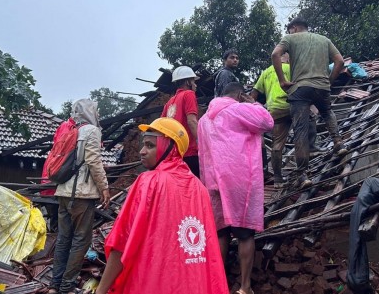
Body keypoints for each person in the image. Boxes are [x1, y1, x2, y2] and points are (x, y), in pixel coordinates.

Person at [96, 118, 228, 294]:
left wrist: (101, 290)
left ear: (170, 147)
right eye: (144, 145)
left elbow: (122, 241)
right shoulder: (200, 189)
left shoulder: (149, 182)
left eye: (150, 145)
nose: (142, 151)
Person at [198, 82, 274, 294]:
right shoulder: (239, 109)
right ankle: (245, 287)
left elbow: (202, 152)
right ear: (240, 95)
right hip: (239, 181)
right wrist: (255, 104)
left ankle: (218, 284)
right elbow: (268, 122)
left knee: (221, 233)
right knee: (244, 233)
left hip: (213, 181)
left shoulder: (204, 119)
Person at [271, 16, 348, 187]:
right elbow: (340, 61)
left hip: (301, 88)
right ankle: (338, 142)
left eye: (290, 29)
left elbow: (275, 54)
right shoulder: (324, 39)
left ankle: (303, 174)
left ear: (295, 28)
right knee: (327, 112)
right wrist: (329, 81)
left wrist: (283, 80)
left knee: (301, 130)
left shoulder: (289, 38)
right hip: (322, 86)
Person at [49, 99, 111, 294]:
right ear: (91, 112)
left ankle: (54, 285)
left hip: (63, 192)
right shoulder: (92, 131)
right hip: (82, 195)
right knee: (80, 240)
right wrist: (104, 188)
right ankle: (67, 286)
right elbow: (93, 160)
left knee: (63, 238)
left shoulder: (69, 130)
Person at [250, 54, 324, 184]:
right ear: (287, 56)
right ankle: (307, 159)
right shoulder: (292, 68)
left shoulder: (266, 72)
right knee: (302, 134)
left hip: (275, 109)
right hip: (294, 105)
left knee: (277, 145)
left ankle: (278, 179)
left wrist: (255, 109)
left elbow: (254, 94)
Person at [162, 65, 201, 178]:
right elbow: (192, 121)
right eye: (194, 81)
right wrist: (202, 144)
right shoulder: (189, 94)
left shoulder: (169, 102)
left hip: (173, 154)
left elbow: (162, 127)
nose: (195, 84)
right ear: (188, 81)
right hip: (189, 152)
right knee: (196, 188)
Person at [41, 117, 76, 232]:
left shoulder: (63, 126)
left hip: (49, 182)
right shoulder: (74, 129)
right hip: (56, 187)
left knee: (55, 221)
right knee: (61, 225)